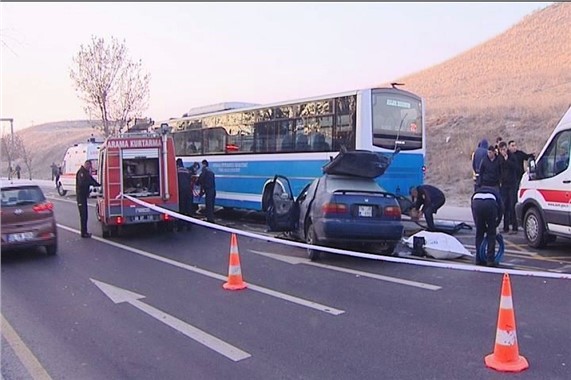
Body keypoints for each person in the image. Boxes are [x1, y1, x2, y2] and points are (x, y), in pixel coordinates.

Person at [471, 185, 503, 267]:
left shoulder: (477, 191)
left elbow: (473, 211)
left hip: (476, 203)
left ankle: (478, 259)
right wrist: (496, 224)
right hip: (490, 204)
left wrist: (478, 225)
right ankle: (490, 260)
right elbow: (501, 209)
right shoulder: (496, 192)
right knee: (491, 234)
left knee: (479, 234)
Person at [498, 141, 519, 234]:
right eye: (501, 150)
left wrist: (507, 160)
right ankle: (505, 227)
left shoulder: (512, 157)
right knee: (504, 206)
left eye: (504, 149)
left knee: (512, 205)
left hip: (512, 184)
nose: (504, 151)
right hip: (504, 184)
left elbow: (516, 167)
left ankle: (515, 227)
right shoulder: (499, 158)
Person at [76, 160, 100, 238]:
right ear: (86, 165)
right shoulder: (81, 173)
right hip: (81, 197)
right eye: (89, 166)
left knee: (85, 215)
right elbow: (82, 183)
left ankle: (85, 231)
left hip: (84, 196)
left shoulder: (86, 173)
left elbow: (92, 180)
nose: (90, 167)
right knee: (83, 215)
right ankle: (83, 232)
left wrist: (98, 184)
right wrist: (90, 184)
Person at [176, 158, 193, 231]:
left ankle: (181, 226)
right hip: (189, 191)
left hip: (181, 191)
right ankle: (189, 225)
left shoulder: (177, 171)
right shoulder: (187, 171)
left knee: (181, 209)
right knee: (189, 208)